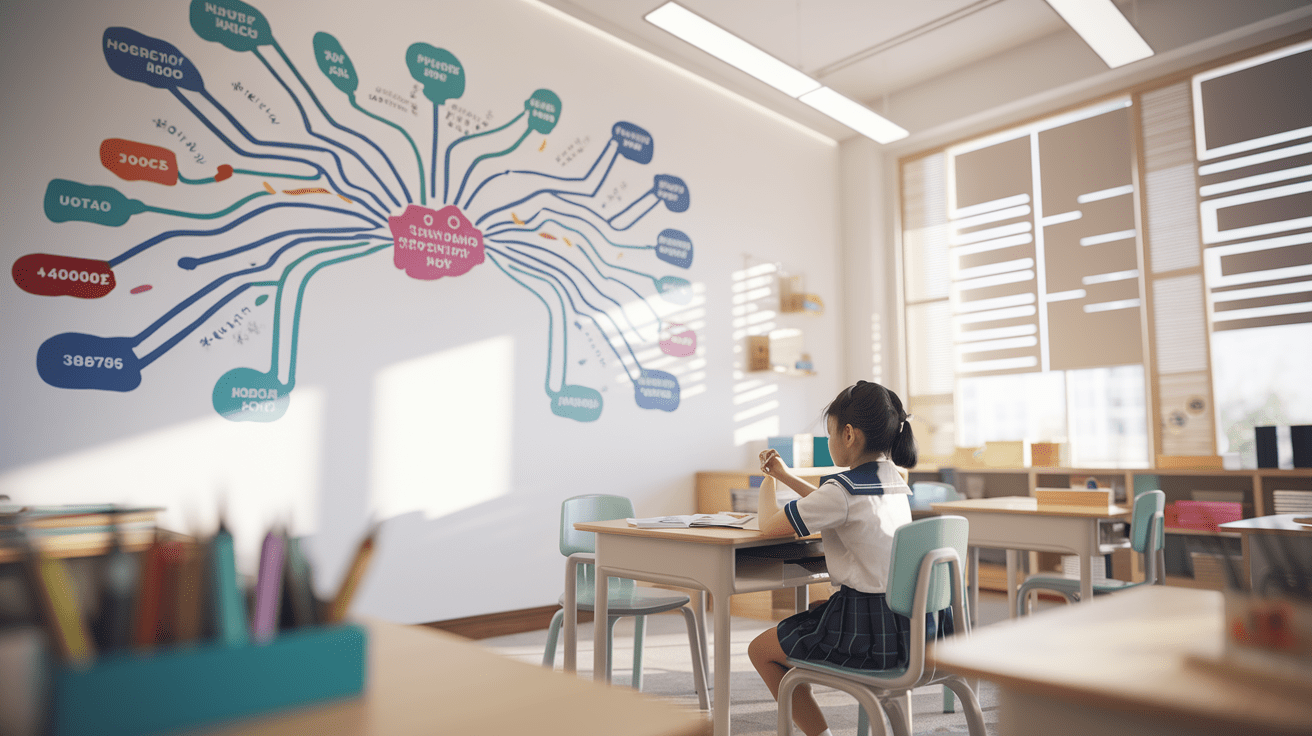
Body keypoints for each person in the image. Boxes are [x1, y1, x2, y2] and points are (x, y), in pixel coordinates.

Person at [748, 380, 943, 736]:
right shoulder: (895, 482)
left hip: (871, 637)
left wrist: (766, 481)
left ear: (849, 435)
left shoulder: (841, 490)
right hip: (916, 629)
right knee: (817, 609)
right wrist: (787, 476)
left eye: (829, 433)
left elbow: (767, 527)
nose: (829, 441)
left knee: (761, 650)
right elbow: (830, 506)